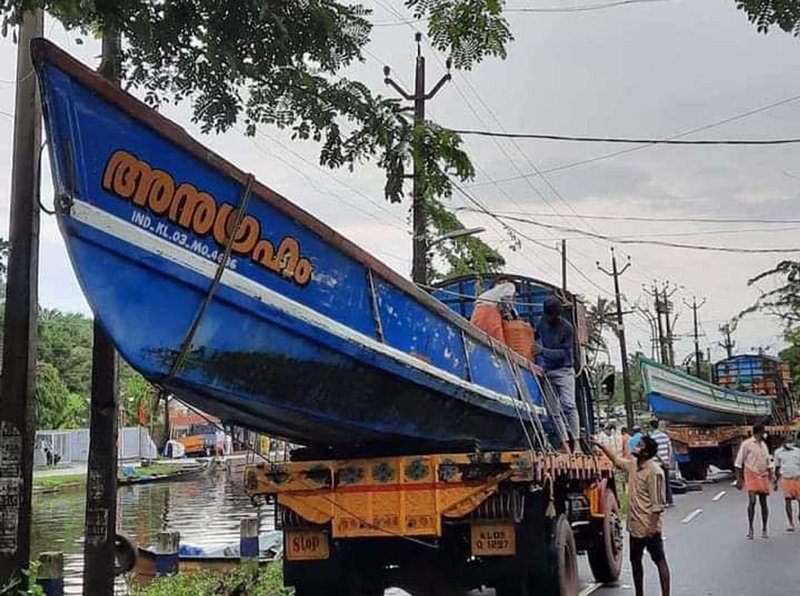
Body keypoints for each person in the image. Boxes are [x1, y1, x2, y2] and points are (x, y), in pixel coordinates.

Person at [593, 435, 670, 596]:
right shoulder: (633, 466)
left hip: (649, 526)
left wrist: (652, 526)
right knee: (635, 561)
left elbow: (657, 505)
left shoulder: (655, 472)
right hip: (635, 526)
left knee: (659, 560)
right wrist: (600, 445)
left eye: (640, 446)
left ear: (646, 452)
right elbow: (616, 461)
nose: (636, 447)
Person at [535, 296, 579, 443]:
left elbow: (565, 354)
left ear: (557, 315)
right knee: (552, 411)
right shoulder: (542, 322)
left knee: (569, 405)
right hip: (548, 371)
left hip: (564, 371)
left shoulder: (567, 328)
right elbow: (534, 336)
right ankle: (565, 443)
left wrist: (543, 351)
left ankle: (576, 442)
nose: (549, 319)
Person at [734, 423, 773, 539]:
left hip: (763, 474)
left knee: (763, 502)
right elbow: (738, 462)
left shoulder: (763, 445)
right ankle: (751, 528)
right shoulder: (747, 444)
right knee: (752, 501)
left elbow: (768, 461)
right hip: (751, 473)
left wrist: (772, 475)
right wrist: (739, 479)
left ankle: (764, 528)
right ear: (759, 432)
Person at [773, 433, 800, 532]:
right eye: (788, 441)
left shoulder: (798, 452)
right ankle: (790, 523)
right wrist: (775, 481)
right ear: (783, 442)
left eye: (791, 441)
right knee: (787, 500)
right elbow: (777, 468)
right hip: (786, 478)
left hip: (797, 478)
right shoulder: (778, 453)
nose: (790, 443)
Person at [649, 419, 674, 506]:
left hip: (657, 464)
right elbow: (670, 448)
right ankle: (669, 501)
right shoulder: (665, 436)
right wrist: (668, 460)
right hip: (666, 462)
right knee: (667, 481)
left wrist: (662, 461)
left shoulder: (652, 438)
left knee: (658, 483)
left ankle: (662, 501)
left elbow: (655, 451)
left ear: (651, 427)